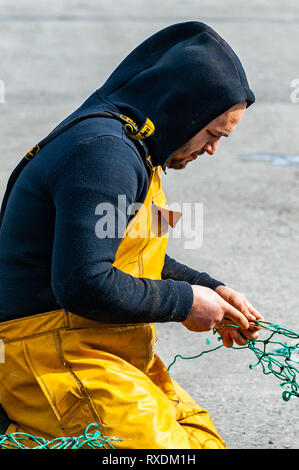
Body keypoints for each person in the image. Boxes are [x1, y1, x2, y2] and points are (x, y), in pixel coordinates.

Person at [0, 21, 263, 449]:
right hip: (53, 354)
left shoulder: (141, 151)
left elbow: (142, 258)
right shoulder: (103, 156)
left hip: (104, 346)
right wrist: (187, 303)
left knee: (201, 441)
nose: (213, 149)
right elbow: (83, 284)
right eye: (213, 133)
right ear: (182, 109)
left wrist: (211, 288)